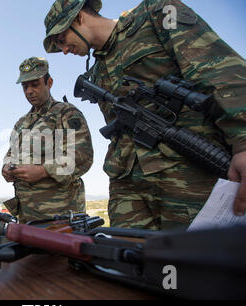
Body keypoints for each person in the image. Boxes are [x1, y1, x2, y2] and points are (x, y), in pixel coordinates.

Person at [43, 0, 246, 230]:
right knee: (125, 257)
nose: (65, 50)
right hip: (127, 185)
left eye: (62, 40)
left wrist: (243, 141)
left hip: (185, 172)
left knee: (193, 259)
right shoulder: (96, 71)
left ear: (79, 17)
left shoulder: (156, 13)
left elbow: (220, 71)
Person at [2, 57, 94, 223]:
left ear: (49, 82)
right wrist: (7, 167)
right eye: (25, 86)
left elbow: (82, 156)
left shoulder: (66, 113)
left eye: (35, 84)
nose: (29, 91)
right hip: (27, 216)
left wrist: (43, 171)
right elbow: (11, 153)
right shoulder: (22, 123)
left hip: (60, 215)